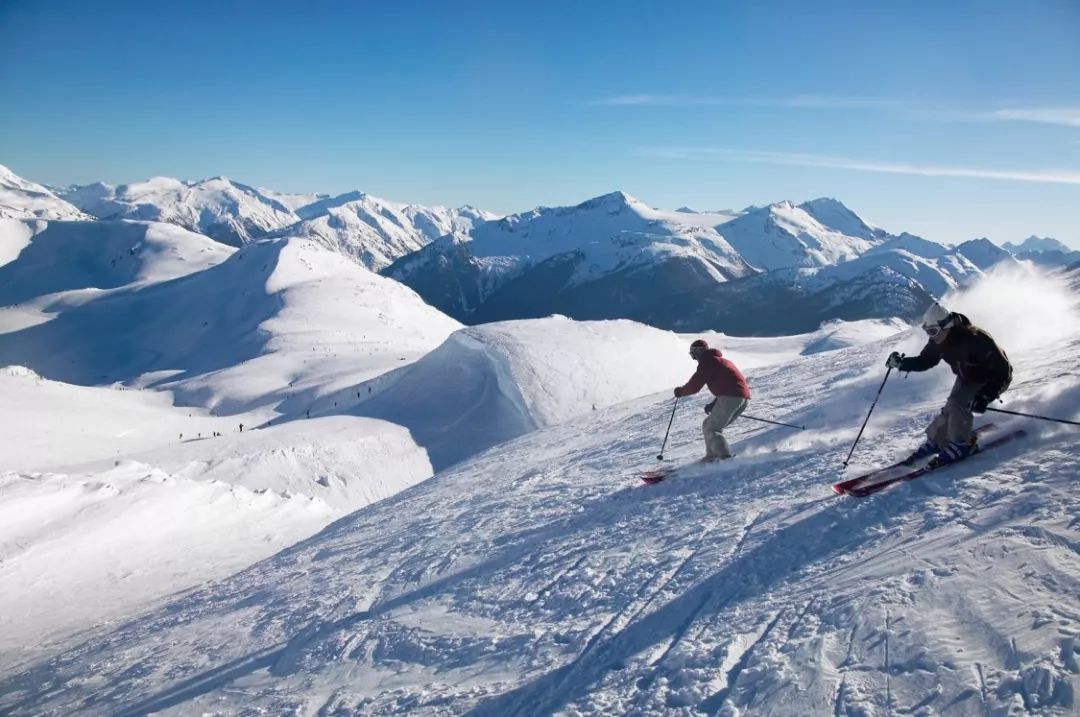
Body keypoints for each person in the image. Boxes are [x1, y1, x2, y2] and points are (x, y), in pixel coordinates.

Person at [887, 302, 1012, 464]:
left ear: (947, 326)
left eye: (933, 331)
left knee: (958, 404)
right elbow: (926, 360)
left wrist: (986, 395)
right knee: (949, 408)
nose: (931, 336)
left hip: (991, 378)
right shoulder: (939, 340)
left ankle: (962, 444)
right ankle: (938, 441)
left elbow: (1003, 370)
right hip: (967, 377)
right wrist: (902, 363)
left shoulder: (976, 339)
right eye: (927, 331)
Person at [674, 339, 751, 462]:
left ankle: (724, 458)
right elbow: (728, 383)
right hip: (740, 398)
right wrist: (715, 403)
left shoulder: (708, 361)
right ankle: (712, 456)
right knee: (707, 424)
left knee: (712, 428)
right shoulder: (718, 360)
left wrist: (681, 391)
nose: (693, 357)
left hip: (730, 397)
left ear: (697, 352)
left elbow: (695, 384)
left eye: (692, 354)